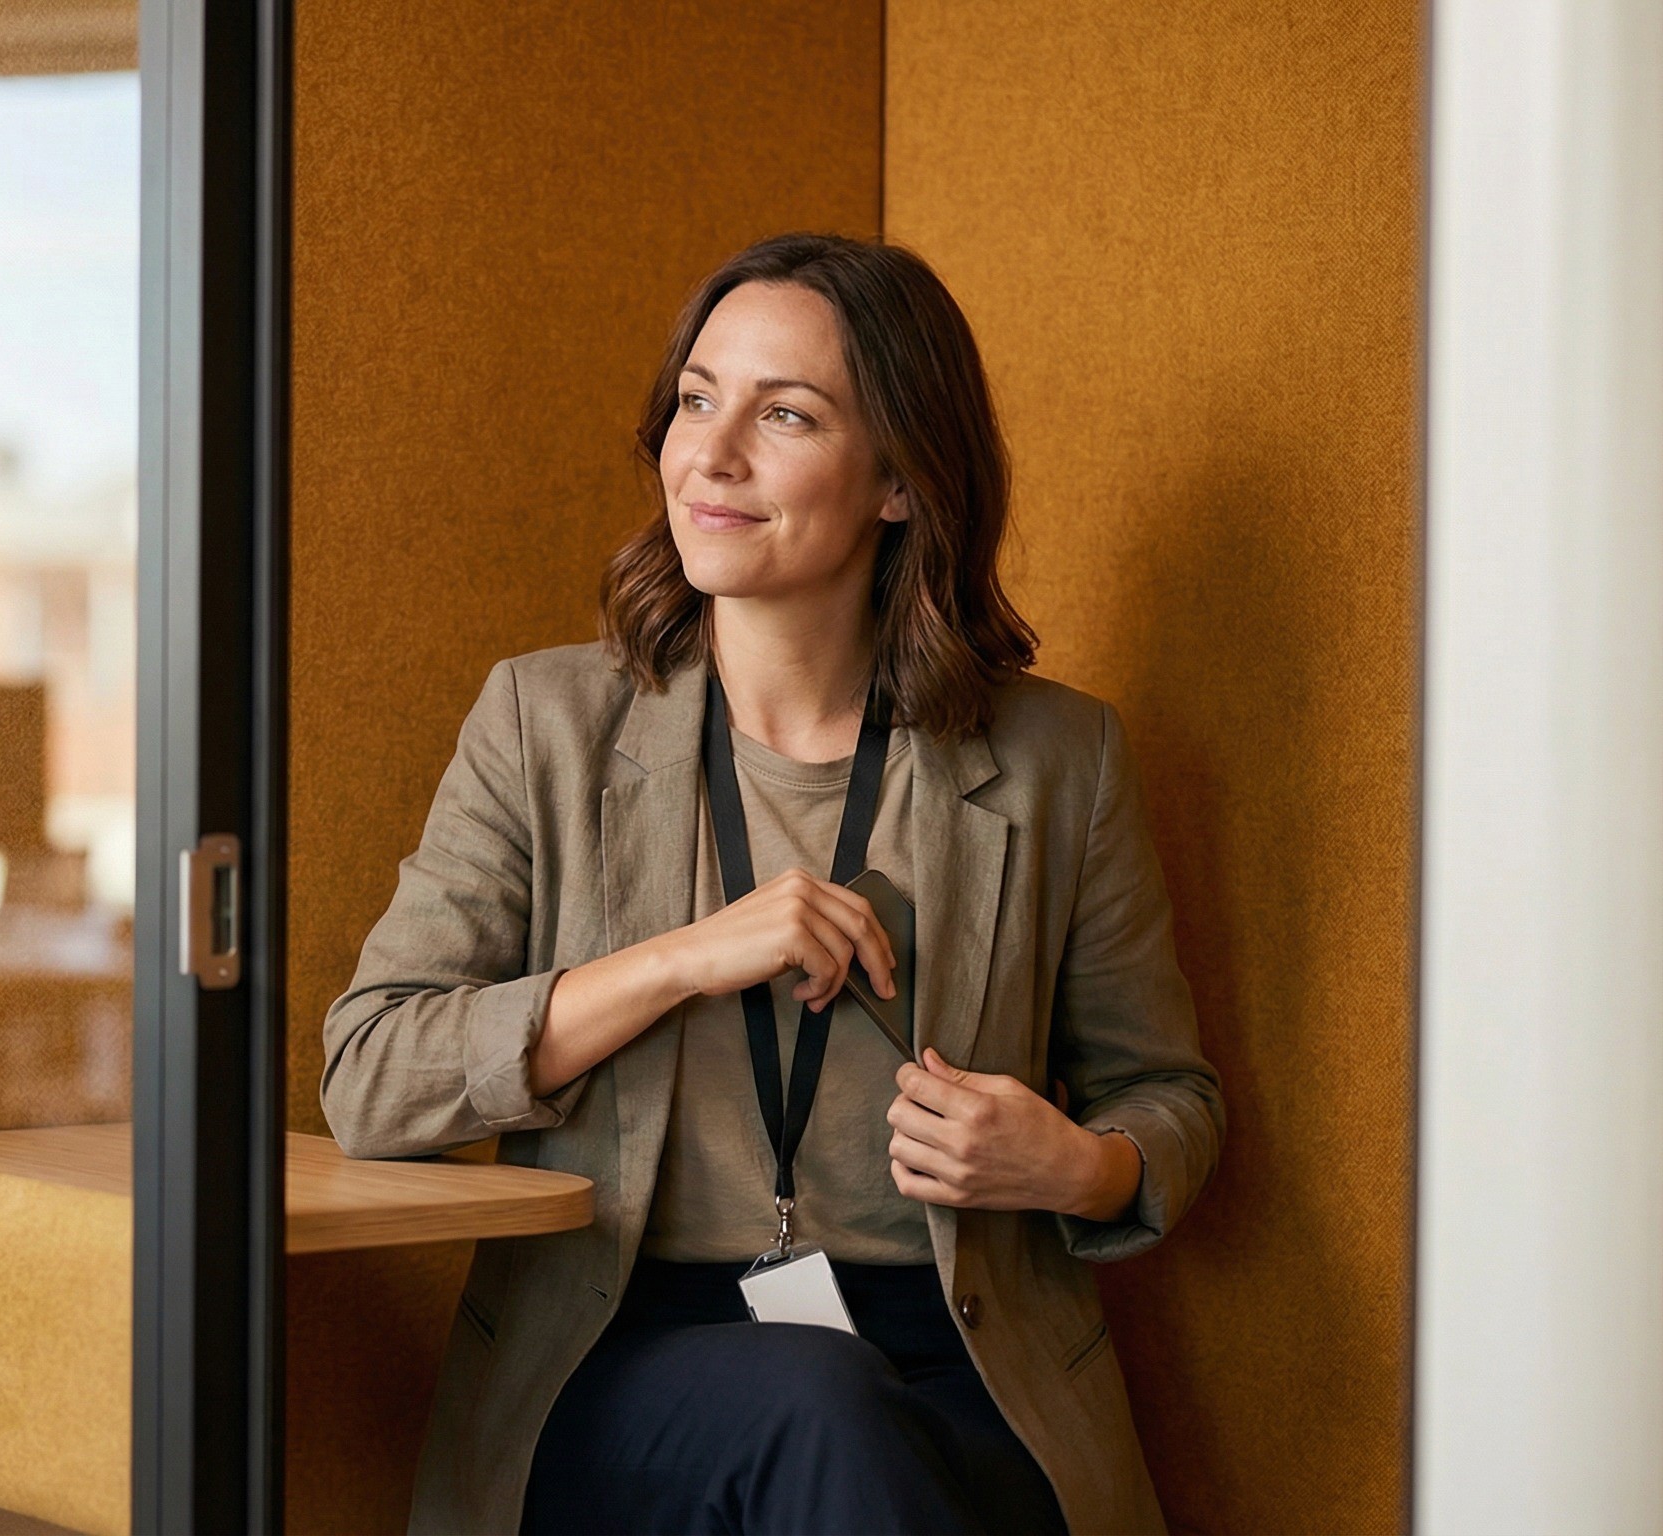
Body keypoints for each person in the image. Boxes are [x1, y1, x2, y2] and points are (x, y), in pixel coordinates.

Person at [321, 234, 1223, 1536]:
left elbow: (1172, 1097)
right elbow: (372, 1075)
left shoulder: (1056, 761)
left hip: (966, 1354)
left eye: (783, 414)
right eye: (696, 400)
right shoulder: (545, 724)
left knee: (853, 1423)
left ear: (902, 479)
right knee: (819, 1409)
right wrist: (683, 958)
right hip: (627, 1342)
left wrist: (1078, 1166)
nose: (710, 455)